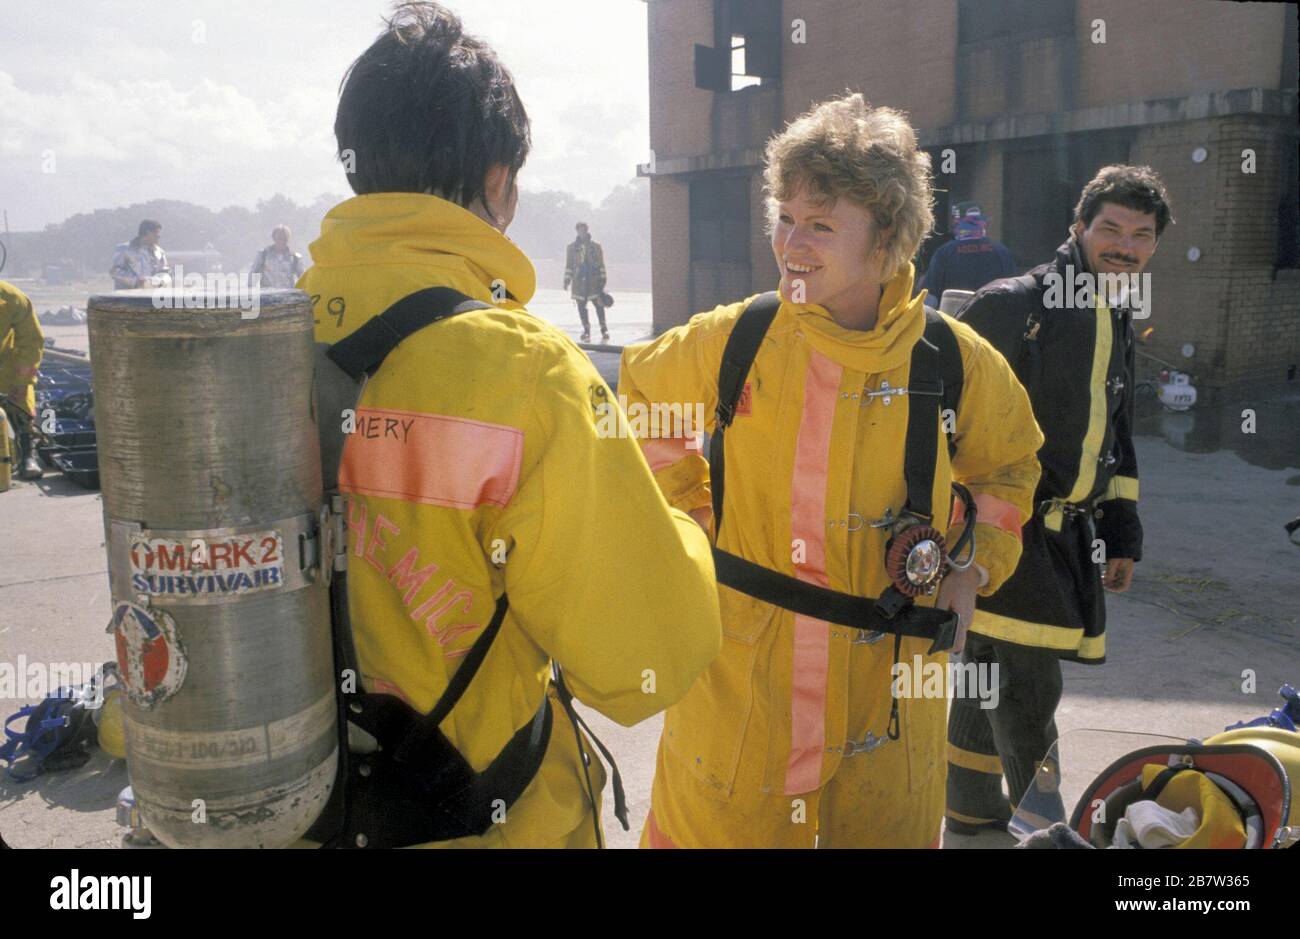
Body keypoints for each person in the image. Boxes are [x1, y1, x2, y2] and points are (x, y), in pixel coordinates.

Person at [300, 1, 721, 848]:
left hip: (297, 811)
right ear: (498, 179)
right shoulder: (522, 369)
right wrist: (681, 528)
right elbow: (648, 659)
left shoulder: (259, 339)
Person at [621, 92, 1043, 848]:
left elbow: (1010, 466)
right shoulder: (736, 339)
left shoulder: (952, 360)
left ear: (886, 241)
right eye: (784, 217)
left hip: (892, 690)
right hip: (745, 686)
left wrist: (970, 567)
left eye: (820, 223)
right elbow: (642, 398)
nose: (792, 243)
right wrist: (691, 522)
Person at [946, 165, 1171, 835]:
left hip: (1070, 536)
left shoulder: (1115, 312)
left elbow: (1115, 430)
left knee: (986, 677)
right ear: (1078, 228)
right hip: (1007, 534)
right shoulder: (1018, 302)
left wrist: (1121, 530)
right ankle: (1049, 832)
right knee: (1028, 692)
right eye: (1110, 228)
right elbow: (942, 407)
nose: (1124, 245)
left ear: (1153, 246)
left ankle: (968, 819)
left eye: (1141, 234)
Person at [921, 202, 1017, 308]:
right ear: (983, 222)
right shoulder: (1002, 252)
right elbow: (1015, 292)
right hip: (992, 321)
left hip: (955, 321)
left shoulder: (943, 253)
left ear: (956, 223)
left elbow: (930, 301)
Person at [0, 280, 44, 480]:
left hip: (5, 364)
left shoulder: (13, 298)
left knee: (22, 402)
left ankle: (28, 453)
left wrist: (22, 381)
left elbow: (32, 342)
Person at [564, 222, 608, 342]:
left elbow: (601, 264)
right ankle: (586, 330)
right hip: (579, 282)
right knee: (581, 307)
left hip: (593, 281)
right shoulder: (571, 248)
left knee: (598, 305)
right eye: (579, 230)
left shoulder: (595, 246)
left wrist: (603, 279)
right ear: (577, 231)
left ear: (587, 230)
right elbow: (569, 265)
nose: (582, 233)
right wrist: (566, 280)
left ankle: (604, 328)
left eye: (584, 230)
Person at [110, 220, 171, 289]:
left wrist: (160, 281)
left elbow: (166, 273)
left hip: (151, 296)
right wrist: (135, 281)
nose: (159, 236)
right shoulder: (124, 249)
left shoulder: (159, 252)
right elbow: (115, 272)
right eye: (156, 233)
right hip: (127, 296)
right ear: (148, 232)